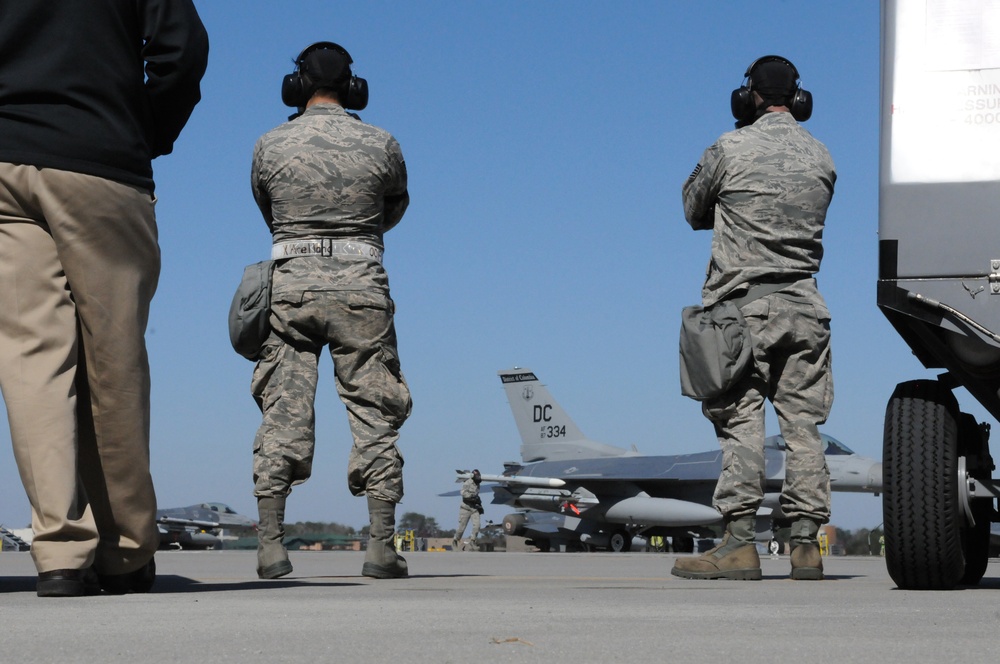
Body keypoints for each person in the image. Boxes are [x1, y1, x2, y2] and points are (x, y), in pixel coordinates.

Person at [0, 2, 208, 597]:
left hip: (5, 160)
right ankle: (123, 551)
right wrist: (145, 130)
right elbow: (182, 49)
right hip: (98, 158)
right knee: (113, 362)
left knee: (30, 361)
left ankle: (60, 552)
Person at [250, 41, 412, 580]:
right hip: (361, 288)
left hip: (290, 290)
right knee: (375, 409)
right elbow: (395, 205)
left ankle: (271, 545)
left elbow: (268, 209)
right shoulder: (381, 142)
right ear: (353, 87)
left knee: (283, 411)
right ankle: (380, 548)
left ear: (295, 87)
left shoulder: (270, 144)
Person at [672, 55, 836, 581]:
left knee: (740, 420)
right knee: (804, 428)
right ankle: (806, 545)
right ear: (798, 99)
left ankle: (739, 543)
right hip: (807, 308)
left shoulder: (729, 147)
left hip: (743, 308)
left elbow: (693, 210)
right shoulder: (822, 156)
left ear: (748, 98)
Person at [453, 470, 483, 551]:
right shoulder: (467, 483)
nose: (479, 478)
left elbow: (477, 495)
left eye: (479, 476)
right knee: (461, 527)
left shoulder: (478, 484)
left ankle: (473, 541)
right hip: (465, 508)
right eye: (477, 476)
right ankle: (455, 540)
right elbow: (463, 493)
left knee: (477, 525)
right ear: (473, 476)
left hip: (474, 508)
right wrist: (472, 496)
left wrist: (480, 505)